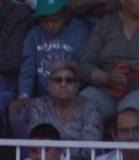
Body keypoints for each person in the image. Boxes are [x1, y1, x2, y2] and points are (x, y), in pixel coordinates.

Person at [10, 0, 87, 137]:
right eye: (46, 21)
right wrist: (24, 95)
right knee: (18, 113)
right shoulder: (34, 35)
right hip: (43, 98)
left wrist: (72, 93)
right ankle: (27, 157)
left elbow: (83, 67)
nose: (50, 25)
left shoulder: (79, 33)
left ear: (65, 16)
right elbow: (28, 67)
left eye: (55, 20)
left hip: (72, 96)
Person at [28, 58, 101, 160]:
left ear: (77, 85)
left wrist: (53, 152)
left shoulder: (90, 107)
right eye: (58, 80)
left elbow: (90, 150)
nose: (63, 84)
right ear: (50, 84)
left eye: (69, 80)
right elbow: (36, 145)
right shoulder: (39, 106)